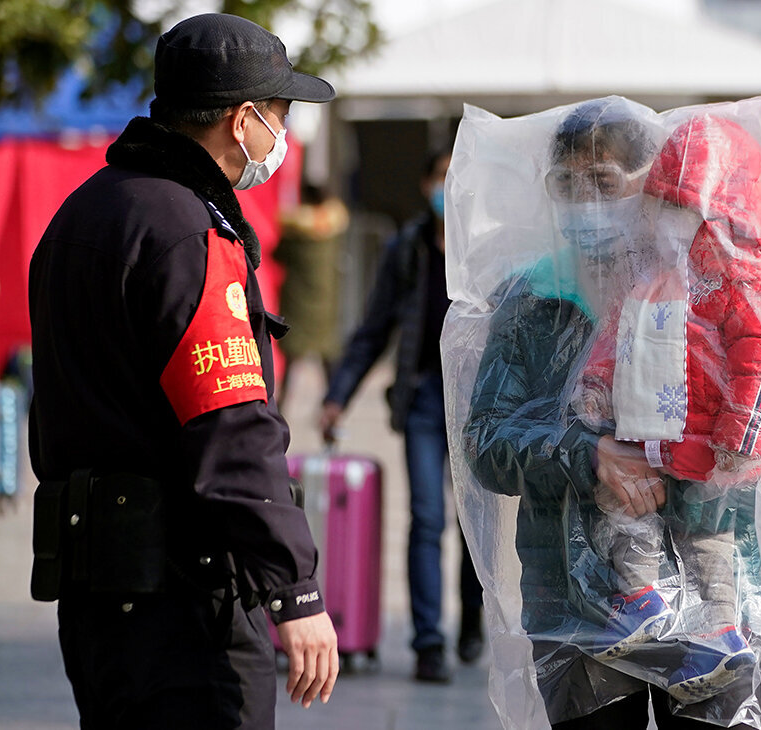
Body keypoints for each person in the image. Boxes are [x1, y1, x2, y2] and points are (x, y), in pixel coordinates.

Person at [457, 97, 761, 729]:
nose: (586, 203)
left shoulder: (724, 292)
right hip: (575, 604)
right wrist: (587, 455)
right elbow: (485, 442)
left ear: (654, 185)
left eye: (604, 183)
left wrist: (705, 468)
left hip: (713, 606)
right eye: (567, 185)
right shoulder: (534, 298)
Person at [27, 13, 338, 729]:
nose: (281, 135)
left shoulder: (85, 212)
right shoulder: (186, 231)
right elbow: (230, 427)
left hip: (97, 593)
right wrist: (294, 588)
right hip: (184, 600)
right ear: (242, 119)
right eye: (281, 113)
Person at [571, 114, 761, 703]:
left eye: (687, 212)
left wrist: (743, 431)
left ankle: (719, 630)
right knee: (627, 511)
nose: (673, 226)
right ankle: (643, 601)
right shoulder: (656, 276)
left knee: (708, 539)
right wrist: (598, 386)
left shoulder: (754, 275)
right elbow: (619, 338)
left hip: (712, 449)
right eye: (665, 210)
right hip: (654, 439)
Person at [320, 150, 484, 683]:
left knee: (471, 525)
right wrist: (337, 394)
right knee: (427, 518)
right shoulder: (407, 250)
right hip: (421, 400)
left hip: (477, 405)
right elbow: (373, 330)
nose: (447, 188)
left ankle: (470, 621)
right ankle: (428, 642)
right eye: (440, 177)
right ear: (425, 184)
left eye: (457, 178)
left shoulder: (486, 250)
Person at [273, 183, 349, 410]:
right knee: (328, 361)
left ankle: (282, 407)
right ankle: (333, 405)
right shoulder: (333, 231)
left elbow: (277, 254)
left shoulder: (296, 232)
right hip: (325, 305)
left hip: (298, 305)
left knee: (291, 361)